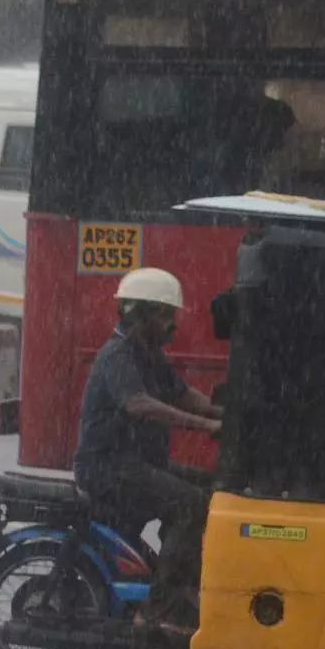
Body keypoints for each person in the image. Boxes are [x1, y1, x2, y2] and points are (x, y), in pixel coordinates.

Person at [71, 267, 224, 627]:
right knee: (189, 504)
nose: (173, 325)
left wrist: (229, 415)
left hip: (138, 462)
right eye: (165, 315)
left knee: (213, 488)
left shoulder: (149, 353)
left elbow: (183, 394)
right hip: (108, 468)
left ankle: (183, 581)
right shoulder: (118, 355)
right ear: (141, 314)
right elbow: (138, 404)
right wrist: (205, 426)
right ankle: (161, 606)